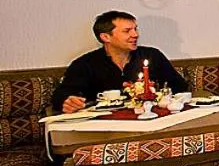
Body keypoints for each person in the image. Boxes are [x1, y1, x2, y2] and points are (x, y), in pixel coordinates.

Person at [52, 11, 189, 114]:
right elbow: (62, 94)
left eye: (135, 29)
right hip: (106, 128)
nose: (135, 35)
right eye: (127, 31)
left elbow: (180, 86)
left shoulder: (152, 55)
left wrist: (154, 91)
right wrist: (67, 101)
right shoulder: (85, 64)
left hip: (150, 119)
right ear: (106, 37)